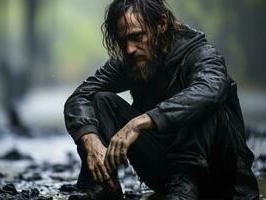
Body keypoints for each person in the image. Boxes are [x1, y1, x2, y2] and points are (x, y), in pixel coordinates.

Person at [63, 0, 259, 199]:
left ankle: (184, 186)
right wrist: (90, 140)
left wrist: (140, 123)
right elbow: (79, 97)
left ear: (161, 24)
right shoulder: (129, 60)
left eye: (137, 36)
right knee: (101, 100)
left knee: (204, 100)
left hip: (220, 177)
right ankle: (102, 187)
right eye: (123, 41)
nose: (129, 49)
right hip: (165, 175)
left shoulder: (202, 54)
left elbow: (211, 89)